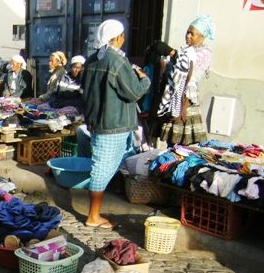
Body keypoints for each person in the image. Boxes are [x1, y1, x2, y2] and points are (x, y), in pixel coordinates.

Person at [81, 19, 150, 229]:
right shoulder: (117, 61)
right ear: (119, 37)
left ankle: (97, 211)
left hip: (98, 121)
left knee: (103, 164)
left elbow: (86, 91)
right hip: (113, 123)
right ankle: (93, 216)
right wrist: (144, 79)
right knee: (102, 168)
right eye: (122, 36)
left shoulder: (93, 59)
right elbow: (134, 92)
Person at [156, 15, 215, 146]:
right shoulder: (186, 51)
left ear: (202, 36)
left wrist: (171, 53)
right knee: (172, 142)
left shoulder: (204, 53)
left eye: (192, 34)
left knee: (183, 143)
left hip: (187, 101)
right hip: (175, 99)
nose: (188, 36)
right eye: (187, 32)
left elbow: (188, 64)